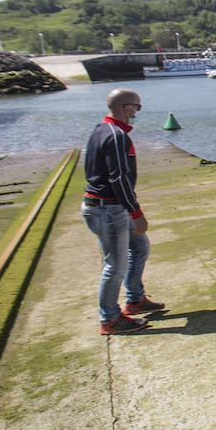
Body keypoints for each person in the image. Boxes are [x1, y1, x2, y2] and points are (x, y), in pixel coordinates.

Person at [82, 88, 166, 335]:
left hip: (109, 207)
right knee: (115, 265)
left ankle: (135, 299)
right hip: (107, 209)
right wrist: (135, 212)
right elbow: (118, 178)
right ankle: (109, 318)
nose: (137, 113)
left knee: (140, 248)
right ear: (127, 108)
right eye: (137, 108)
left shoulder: (100, 130)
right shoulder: (117, 136)